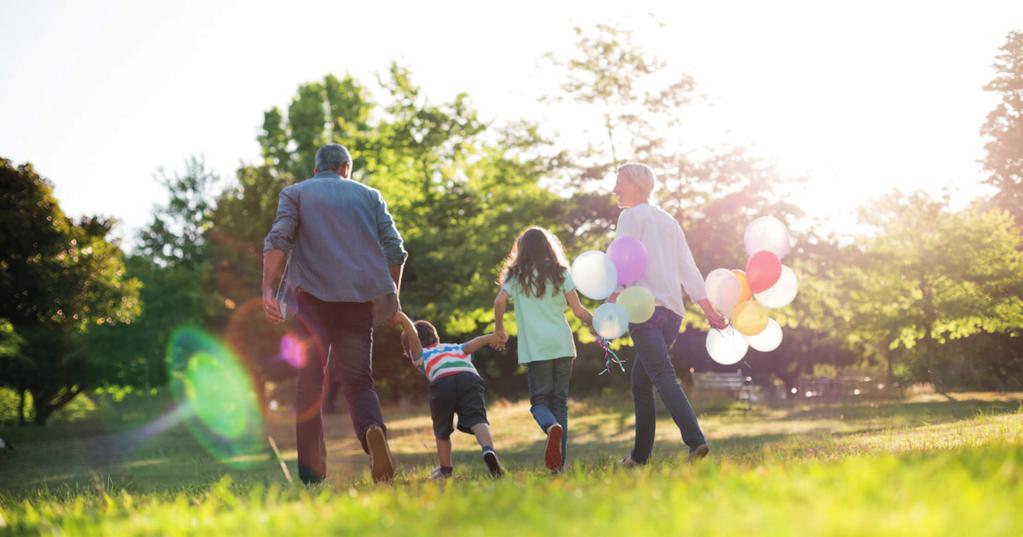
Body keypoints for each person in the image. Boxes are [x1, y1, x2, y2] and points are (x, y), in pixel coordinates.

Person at [262, 143, 407, 484]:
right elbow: (396, 250)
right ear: (345, 168)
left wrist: (267, 290)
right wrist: (392, 297)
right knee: (358, 381)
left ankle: (313, 473)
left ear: (317, 170)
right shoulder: (370, 196)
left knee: (310, 382)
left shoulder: (295, 192)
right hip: (357, 301)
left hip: (310, 302)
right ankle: (372, 430)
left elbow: (278, 239)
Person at [610, 162, 727, 466]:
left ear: (637, 185)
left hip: (643, 308)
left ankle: (695, 440)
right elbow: (688, 268)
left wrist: (611, 301)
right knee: (641, 382)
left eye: (619, 182)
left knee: (661, 374)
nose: (614, 189)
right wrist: (709, 310)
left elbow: (622, 259)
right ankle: (638, 458)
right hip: (673, 313)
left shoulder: (630, 216)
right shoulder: (668, 220)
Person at [493, 227, 593, 472]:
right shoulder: (561, 273)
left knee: (539, 401)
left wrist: (499, 330)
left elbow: (499, 301)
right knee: (559, 402)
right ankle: (559, 466)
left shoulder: (516, 275)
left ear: (522, 249)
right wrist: (597, 324)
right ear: (549, 247)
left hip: (537, 349)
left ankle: (550, 427)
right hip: (562, 345)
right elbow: (578, 311)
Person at [396, 314, 507, 479]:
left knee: (442, 429)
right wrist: (492, 337)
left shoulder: (419, 354)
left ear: (410, 349)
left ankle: (445, 470)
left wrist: (402, 319)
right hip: (469, 378)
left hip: (442, 382)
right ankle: (488, 450)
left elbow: (412, 335)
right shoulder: (453, 347)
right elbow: (472, 344)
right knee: (478, 419)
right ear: (436, 337)